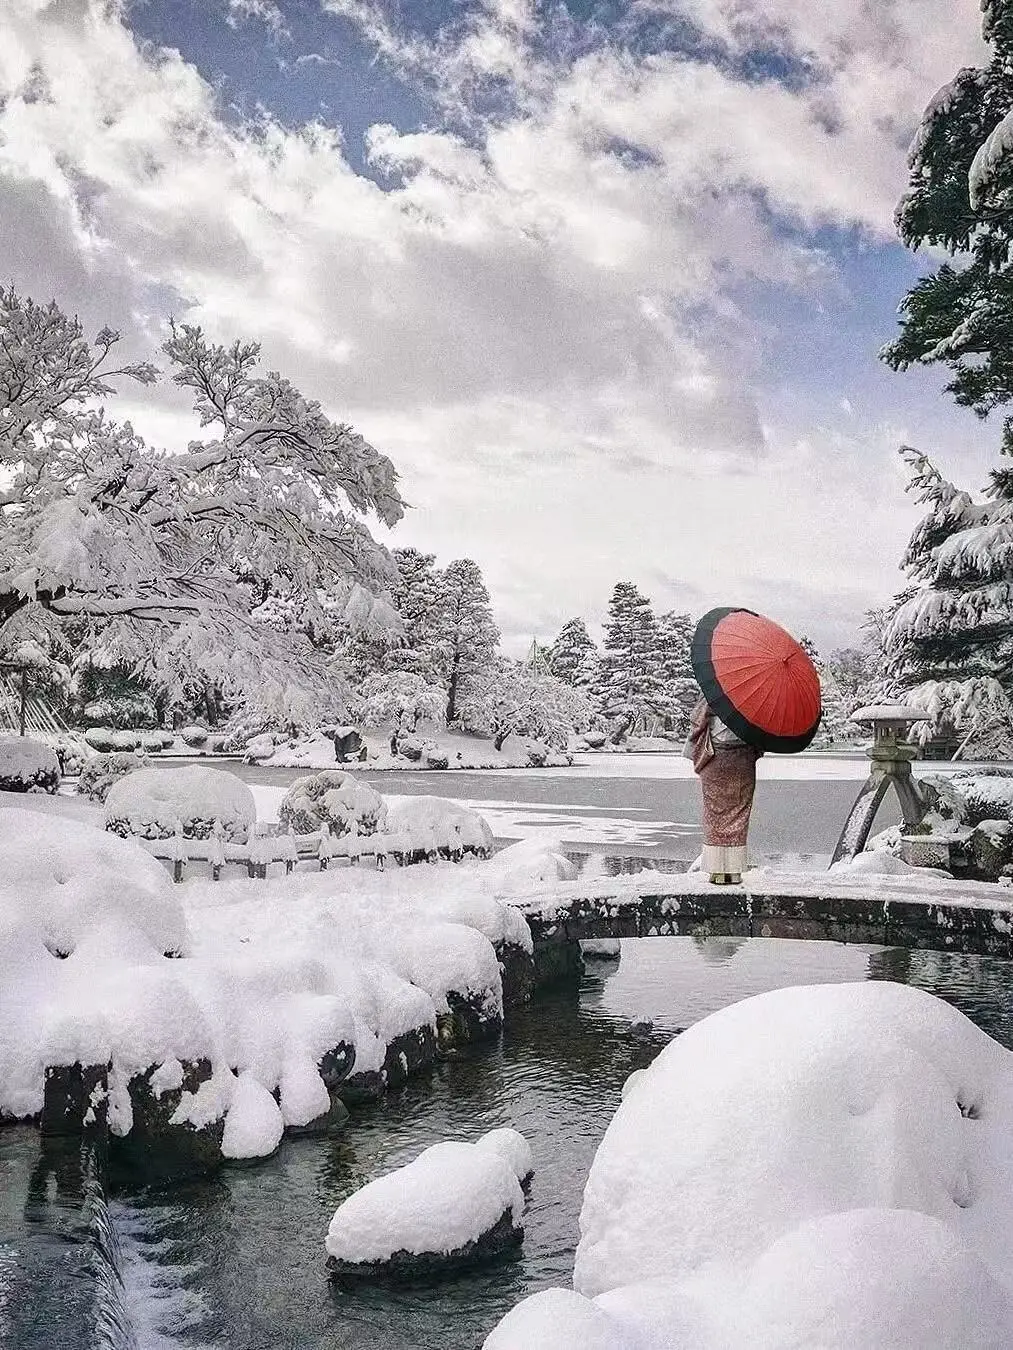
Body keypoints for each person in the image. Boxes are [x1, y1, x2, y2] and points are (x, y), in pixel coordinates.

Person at [684, 697, 761, 885]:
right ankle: (734, 871)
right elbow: (762, 736)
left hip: (715, 757)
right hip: (742, 759)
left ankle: (716, 870)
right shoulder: (756, 701)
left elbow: (697, 722)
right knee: (739, 814)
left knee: (715, 814)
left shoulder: (715, 692)